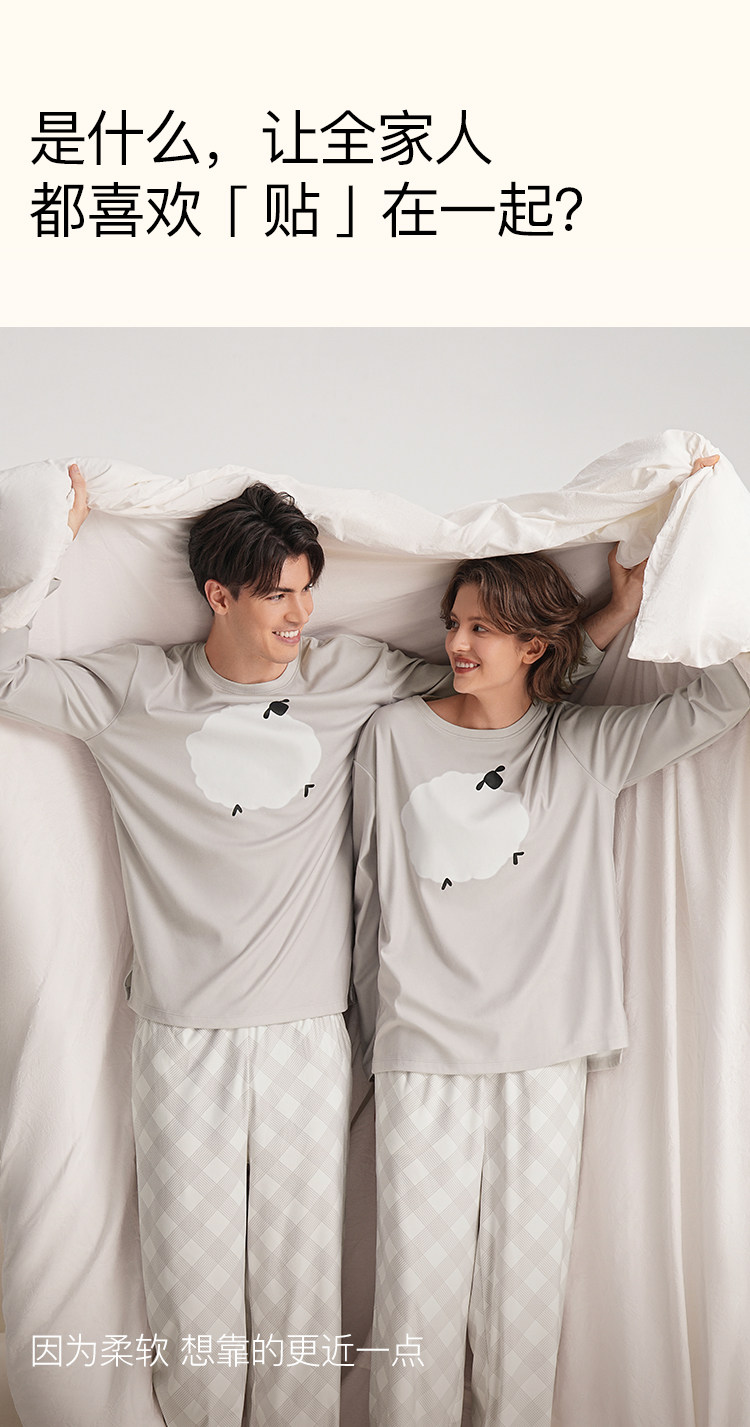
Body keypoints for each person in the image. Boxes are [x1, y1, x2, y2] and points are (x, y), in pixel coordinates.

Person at [0, 464, 637, 1427]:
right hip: (180, 1037)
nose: (299, 615)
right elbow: (9, 675)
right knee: (194, 1308)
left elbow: (505, 689)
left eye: (307, 590)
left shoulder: (351, 677)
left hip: (308, 1036)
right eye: (276, 595)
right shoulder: (136, 690)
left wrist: (607, 616)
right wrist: (45, 545)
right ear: (219, 595)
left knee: (301, 1303)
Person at [351, 503, 750, 1426]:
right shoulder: (394, 737)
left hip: (546, 1055)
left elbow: (726, 695)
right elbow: (369, 886)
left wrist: (674, 583)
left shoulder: (584, 746)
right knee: (415, 1305)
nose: (457, 643)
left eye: (482, 629)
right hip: (424, 1053)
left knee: (520, 1315)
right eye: (454, 622)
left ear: (533, 646)